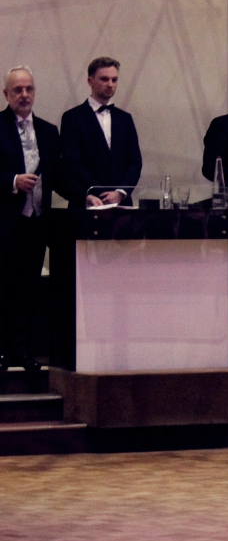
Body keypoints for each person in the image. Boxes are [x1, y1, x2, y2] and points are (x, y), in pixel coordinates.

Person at [1, 66, 68, 371]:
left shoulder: (48, 131)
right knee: (3, 287)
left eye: (29, 89)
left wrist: (87, 196)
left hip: (37, 224)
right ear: (6, 94)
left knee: (28, 290)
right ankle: (1, 351)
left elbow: (59, 176)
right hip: (5, 223)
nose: (24, 95)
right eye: (18, 90)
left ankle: (21, 351)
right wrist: (13, 180)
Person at [59, 57, 143, 208]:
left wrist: (121, 192)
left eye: (114, 80)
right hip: (86, 201)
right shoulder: (72, 117)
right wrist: (99, 192)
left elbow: (135, 162)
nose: (110, 84)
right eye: (104, 79)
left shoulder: (125, 119)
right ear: (90, 81)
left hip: (121, 204)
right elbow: (72, 162)